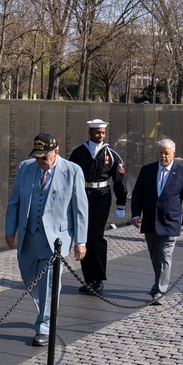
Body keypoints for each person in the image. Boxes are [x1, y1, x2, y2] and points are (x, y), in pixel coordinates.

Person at [5, 133, 88, 346]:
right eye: (37, 157)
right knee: (29, 276)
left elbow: (80, 209)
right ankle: (45, 309)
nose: (40, 162)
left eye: (44, 157)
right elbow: (14, 200)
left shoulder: (72, 171)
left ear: (56, 152)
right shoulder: (25, 168)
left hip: (56, 240)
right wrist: (10, 229)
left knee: (49, 283)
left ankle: (44, 326)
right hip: (29, 237)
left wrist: (81, 241)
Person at [130, 139, 183, 304]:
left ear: (174, 153)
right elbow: (137, 194)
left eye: (166, 152)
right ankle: (159, 283)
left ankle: (159, 290)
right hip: (151, 221)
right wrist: (136, 214)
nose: (163, 156)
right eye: (160, 152)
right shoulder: (147, 171)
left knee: (165, 255)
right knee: (155, 255)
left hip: (170, 221)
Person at [68, 119, 128, 293]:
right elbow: (68, 177)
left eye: (102, 132)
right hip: (82, 196)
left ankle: (99, 278)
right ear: (90, 132)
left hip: (101, 197)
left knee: (95, 236)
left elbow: (119, 180)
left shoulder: (111, 154)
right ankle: (89, 280)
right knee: (83, 237)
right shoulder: (78, 152)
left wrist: (121, 204)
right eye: (97, 132)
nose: (100, 135)